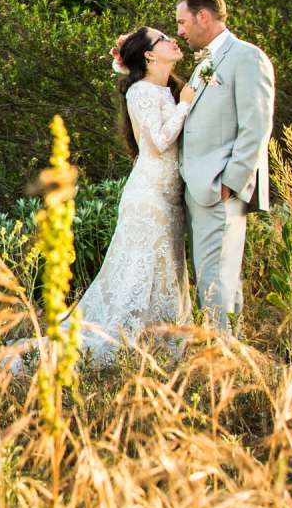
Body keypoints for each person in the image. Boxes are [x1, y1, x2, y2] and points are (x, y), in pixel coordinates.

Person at [70, 24, 200, 364]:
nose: (174, 40)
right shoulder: (140, 91)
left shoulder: (167, 91)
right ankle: (123, 345)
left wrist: (181, 101)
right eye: (163, 39)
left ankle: (163, 345)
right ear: (149, 54)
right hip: (149, 197)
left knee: (167, 272)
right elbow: (157, 142)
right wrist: (185, 106)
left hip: (170, 198)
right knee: (138, 274)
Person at [172, 0, 276, 333]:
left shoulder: (246, 57)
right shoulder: (205, 62)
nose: (180, 31)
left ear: (203, 17)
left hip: (220, 187)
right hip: (200, 188)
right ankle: (229, 355)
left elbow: (256, 125)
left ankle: (222, 361)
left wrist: (231, 181)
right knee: (214, 277)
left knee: (217, 278)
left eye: (183, 22)